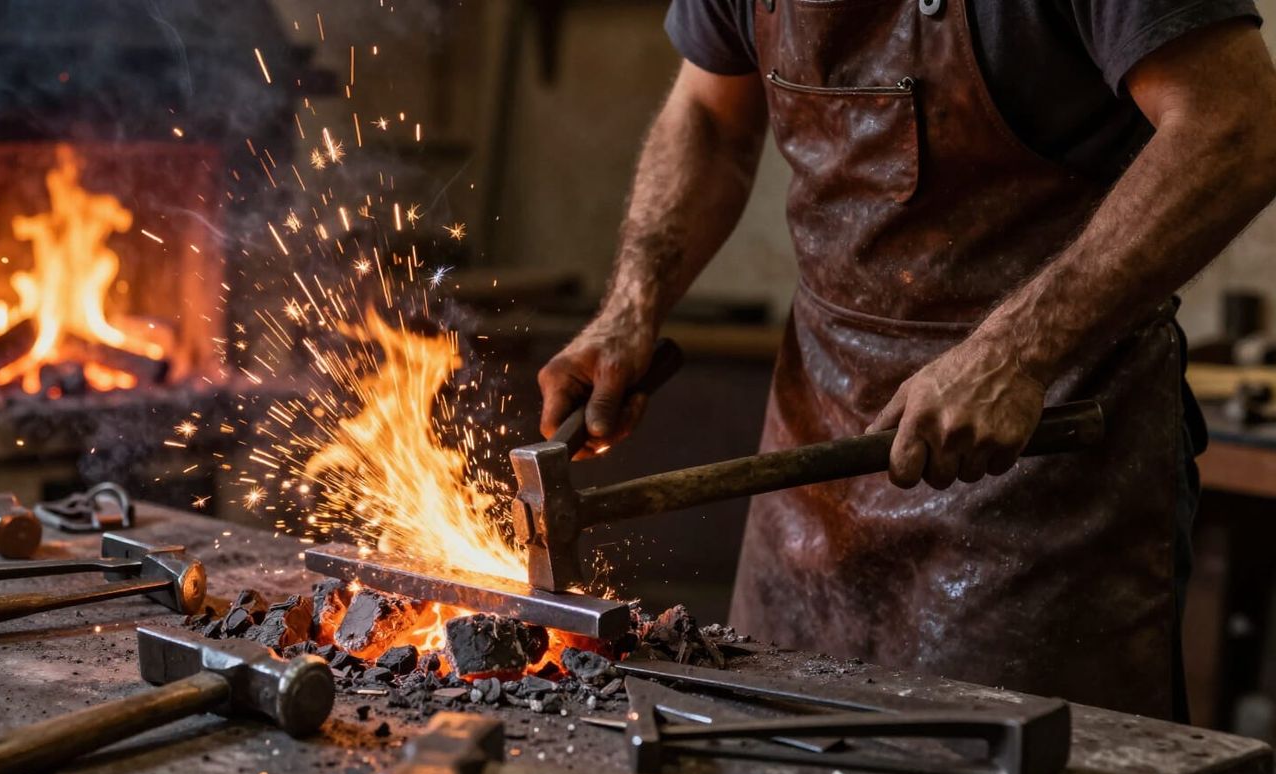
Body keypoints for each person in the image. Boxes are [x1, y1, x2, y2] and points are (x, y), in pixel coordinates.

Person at [538, 0, 1276, 720]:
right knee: (766, 755)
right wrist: (633, 307)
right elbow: (709, 117)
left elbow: (1236, 126)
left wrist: (1014, 353)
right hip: (814, 449)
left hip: (1043, 469)